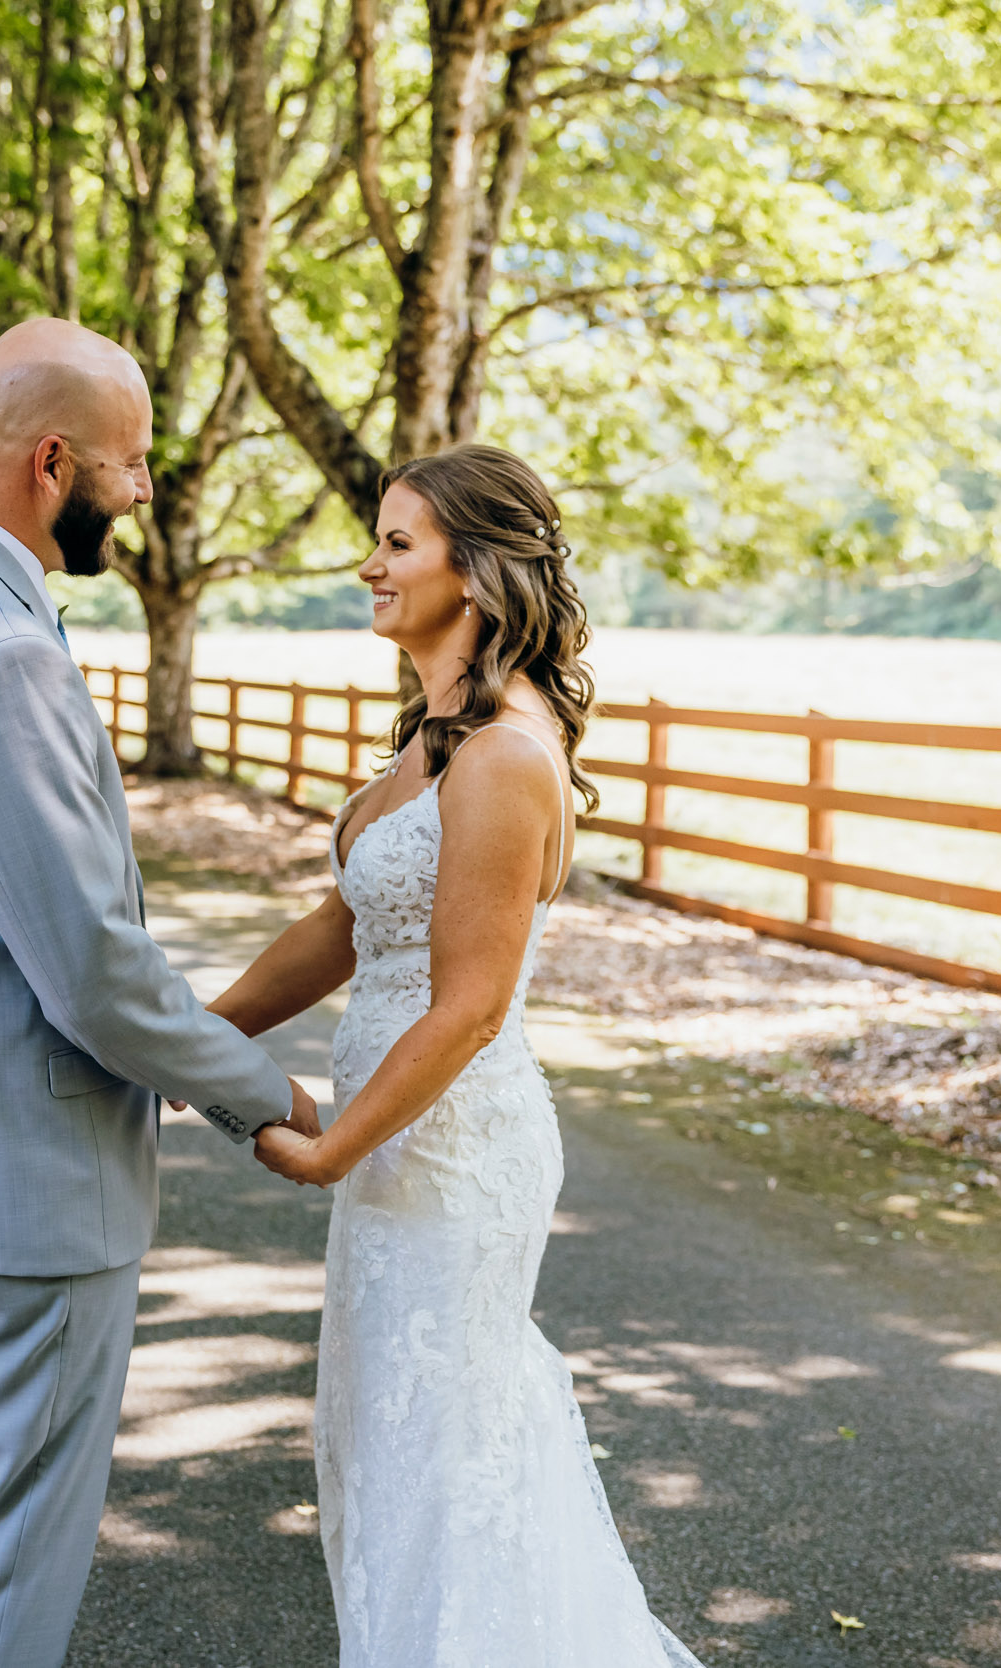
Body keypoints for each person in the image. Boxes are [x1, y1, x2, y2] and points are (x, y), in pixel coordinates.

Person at [0, 317, 319, 1668]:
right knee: (10, 1557)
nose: (145, 494)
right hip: (20, 1190)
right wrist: (265, 1094)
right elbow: (90, 972)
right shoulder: (3, 655)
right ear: (52, 461)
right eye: (133, 465)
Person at [210, 445, 708, 1665]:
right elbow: (343, 928)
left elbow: (471, 1005)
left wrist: (331, 1146)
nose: (368, 564)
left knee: (448, 1458)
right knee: (387, 1453)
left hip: (448, 1156)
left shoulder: (504, 757)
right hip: (397, 1148)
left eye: (397, 543)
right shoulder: (430, 740)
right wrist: (198, 1035)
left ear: (475, 576)